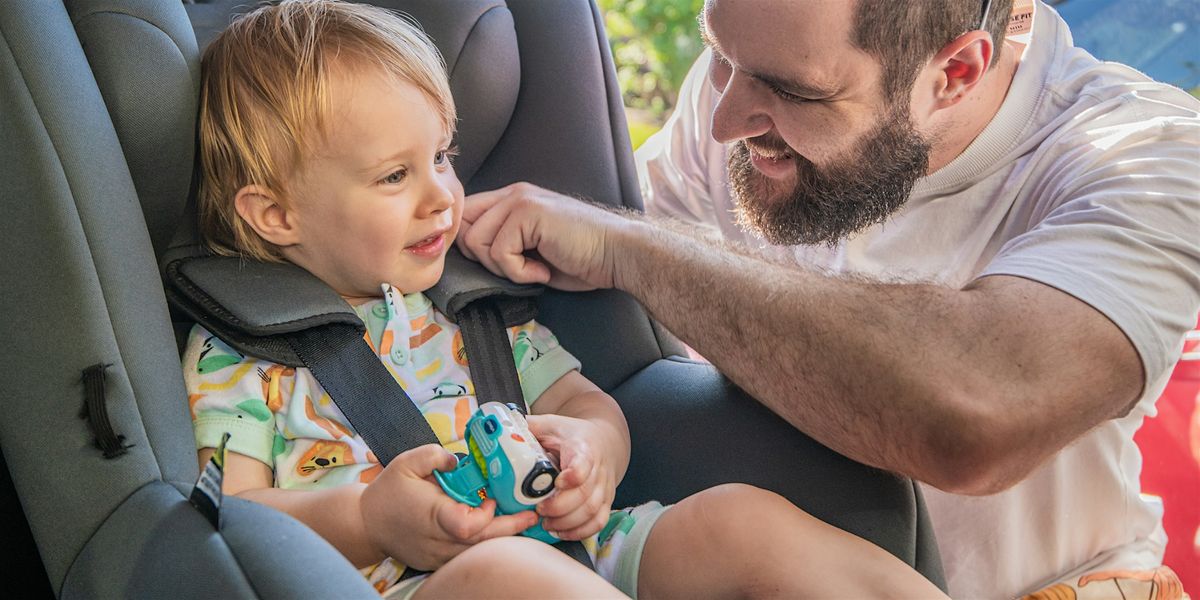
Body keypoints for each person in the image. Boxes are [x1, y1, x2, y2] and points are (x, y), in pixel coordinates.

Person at [182, 1, 949, 598]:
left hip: (584, 554)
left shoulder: (469, 313)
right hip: (419, 584)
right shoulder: (242, 355)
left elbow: (586, 402)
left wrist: (593, 455)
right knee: (507, 578)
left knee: (743, 523)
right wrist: (365, 517)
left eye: (443, 158)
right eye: (394, 176)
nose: (441, 197)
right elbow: (236, 523)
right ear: (275, 214)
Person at [456, 0, 1200, 598]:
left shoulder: (1144, 154)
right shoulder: (748, 89)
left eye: (793, 91)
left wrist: (628, 249)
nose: (723, 121)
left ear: (957, 71)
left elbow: (981, 412)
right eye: (718, 52)